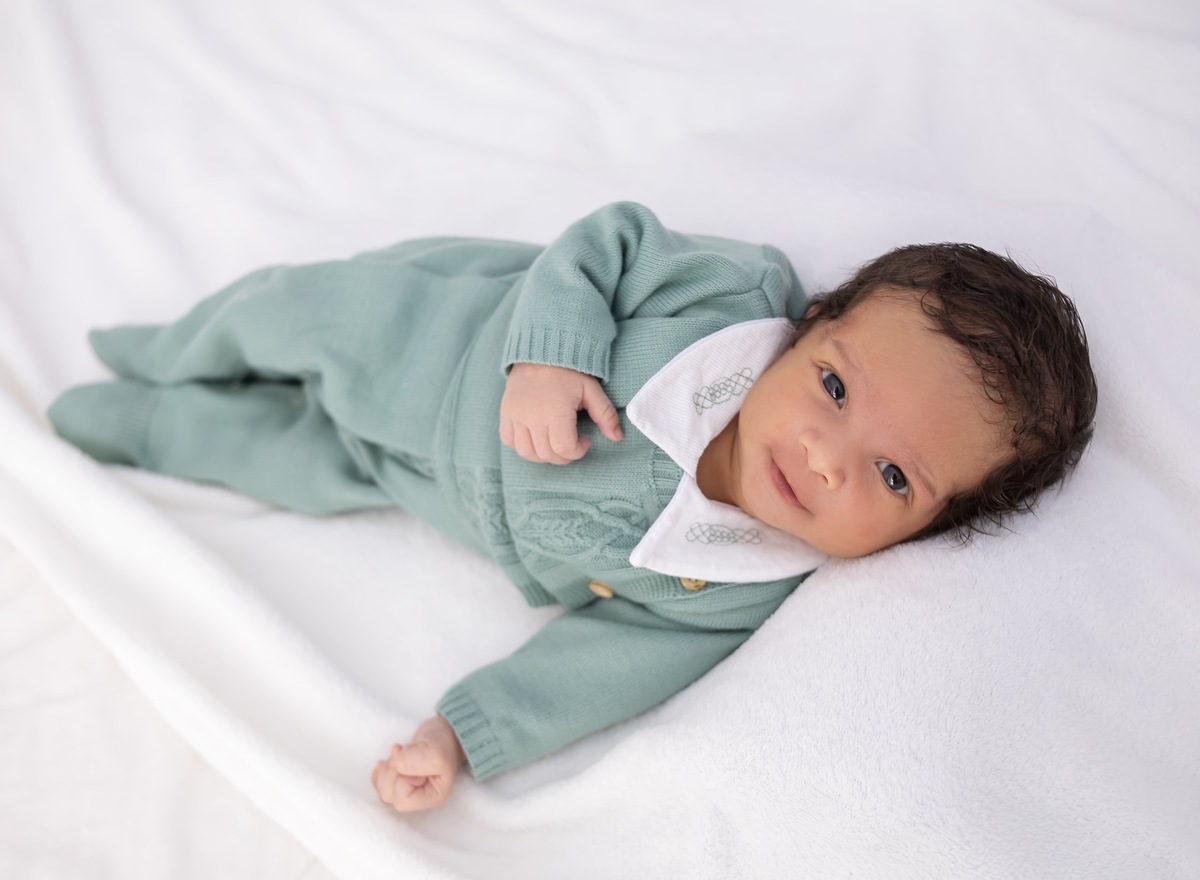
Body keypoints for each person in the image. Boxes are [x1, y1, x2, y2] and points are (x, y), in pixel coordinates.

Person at [46, 202, 1098, 813]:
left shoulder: (729, 585)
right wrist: (552, 352)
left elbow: (601, 665)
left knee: (282, 463)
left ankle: (123, 429)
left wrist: (463, 735)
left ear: (922, 537)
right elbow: (611, 240)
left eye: (893, 478)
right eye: (833, 386)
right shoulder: (727, 302)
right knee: (278, 316)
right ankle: (165, 348)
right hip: (432, 334)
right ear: (813, 320)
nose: (826, 459)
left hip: (417, 488)